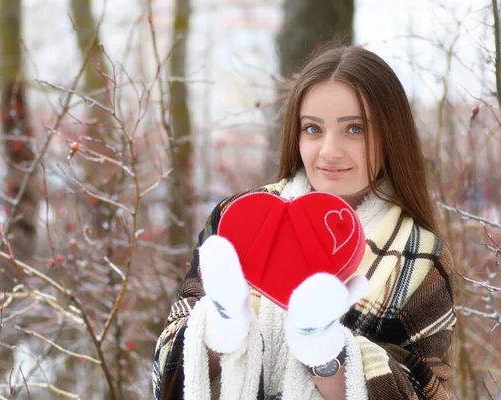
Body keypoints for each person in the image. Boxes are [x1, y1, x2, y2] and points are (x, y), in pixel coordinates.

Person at [152, 46, 456, 400]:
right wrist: (218, 331)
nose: (329, 150)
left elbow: (425, 393)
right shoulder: (239, 219)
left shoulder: (419, 257)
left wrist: (327, 352)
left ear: (390, 135)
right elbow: (166, 369)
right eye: (313, 129)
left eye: (354, 129)